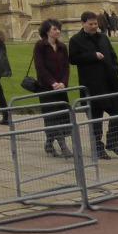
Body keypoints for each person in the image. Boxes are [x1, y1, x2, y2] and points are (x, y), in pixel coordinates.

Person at [69, 10, 118, 158]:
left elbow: (113, 55)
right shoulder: (76, 40)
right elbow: (73, 59)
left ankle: (114, 143)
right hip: (92, 85)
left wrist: (115, 69)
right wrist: (92, 56)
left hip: (109, 83)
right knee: (96, 119)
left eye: (95, 23)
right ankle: (98, 147)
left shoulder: (103, 37)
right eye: (91, 24)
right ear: (83, 24)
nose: (94, 26)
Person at [33, 19, 73, 157]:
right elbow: (40, 67)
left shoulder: (62, 47)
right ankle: (63, 146)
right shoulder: (40, 46)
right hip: (46, 88)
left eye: (58, 29)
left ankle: (49, 144)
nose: (58, 31)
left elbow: (66, 67)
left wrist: (63, 83)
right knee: (52, 117)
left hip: (60, 88)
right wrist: (52, 83)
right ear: (47, 31)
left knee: (62, 116)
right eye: (55, 29)